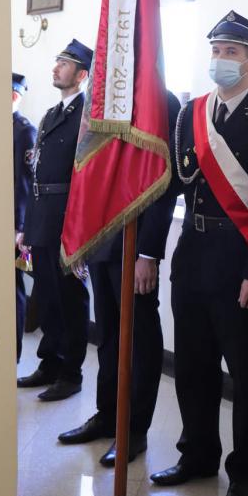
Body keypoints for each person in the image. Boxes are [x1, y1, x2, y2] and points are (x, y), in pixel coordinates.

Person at [150, 10, 248, 496]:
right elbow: (173, 184)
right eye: (216, 51)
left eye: (231, 52)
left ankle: (243, 472)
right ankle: (196, 455)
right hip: (192, 257)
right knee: (193, 368)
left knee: (245, 375)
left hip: (240, 265)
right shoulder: (189, 114)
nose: (220, 60)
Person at [57, 90, 181, 465]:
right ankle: (107, 415)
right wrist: (80, 237)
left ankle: (134, 428)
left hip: (135, 240)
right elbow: (87, 171)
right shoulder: (103, 97)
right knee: (108, 335)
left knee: (138, 338)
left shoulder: (159, 99)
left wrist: (149, 252)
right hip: (102, 237)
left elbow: (164, 183)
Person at [17, 39, 93, 401]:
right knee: (46, 296)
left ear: (81, 75)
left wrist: (79, 229)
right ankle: (49, 363)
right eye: (57, 61)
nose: (55, 67)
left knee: (70, 299)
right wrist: (28, 227)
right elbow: (36, 174)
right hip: (43, 218)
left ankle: (71, 373)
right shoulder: (50, 114)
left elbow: (86, 177)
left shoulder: (88, 116)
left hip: (68, 220)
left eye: (64, 63)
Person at [12, 72, 37, 362]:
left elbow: (26, 185)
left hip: (14, 225)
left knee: (13, 287)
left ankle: (13, 354)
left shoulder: (24, 131)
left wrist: (21, 227)